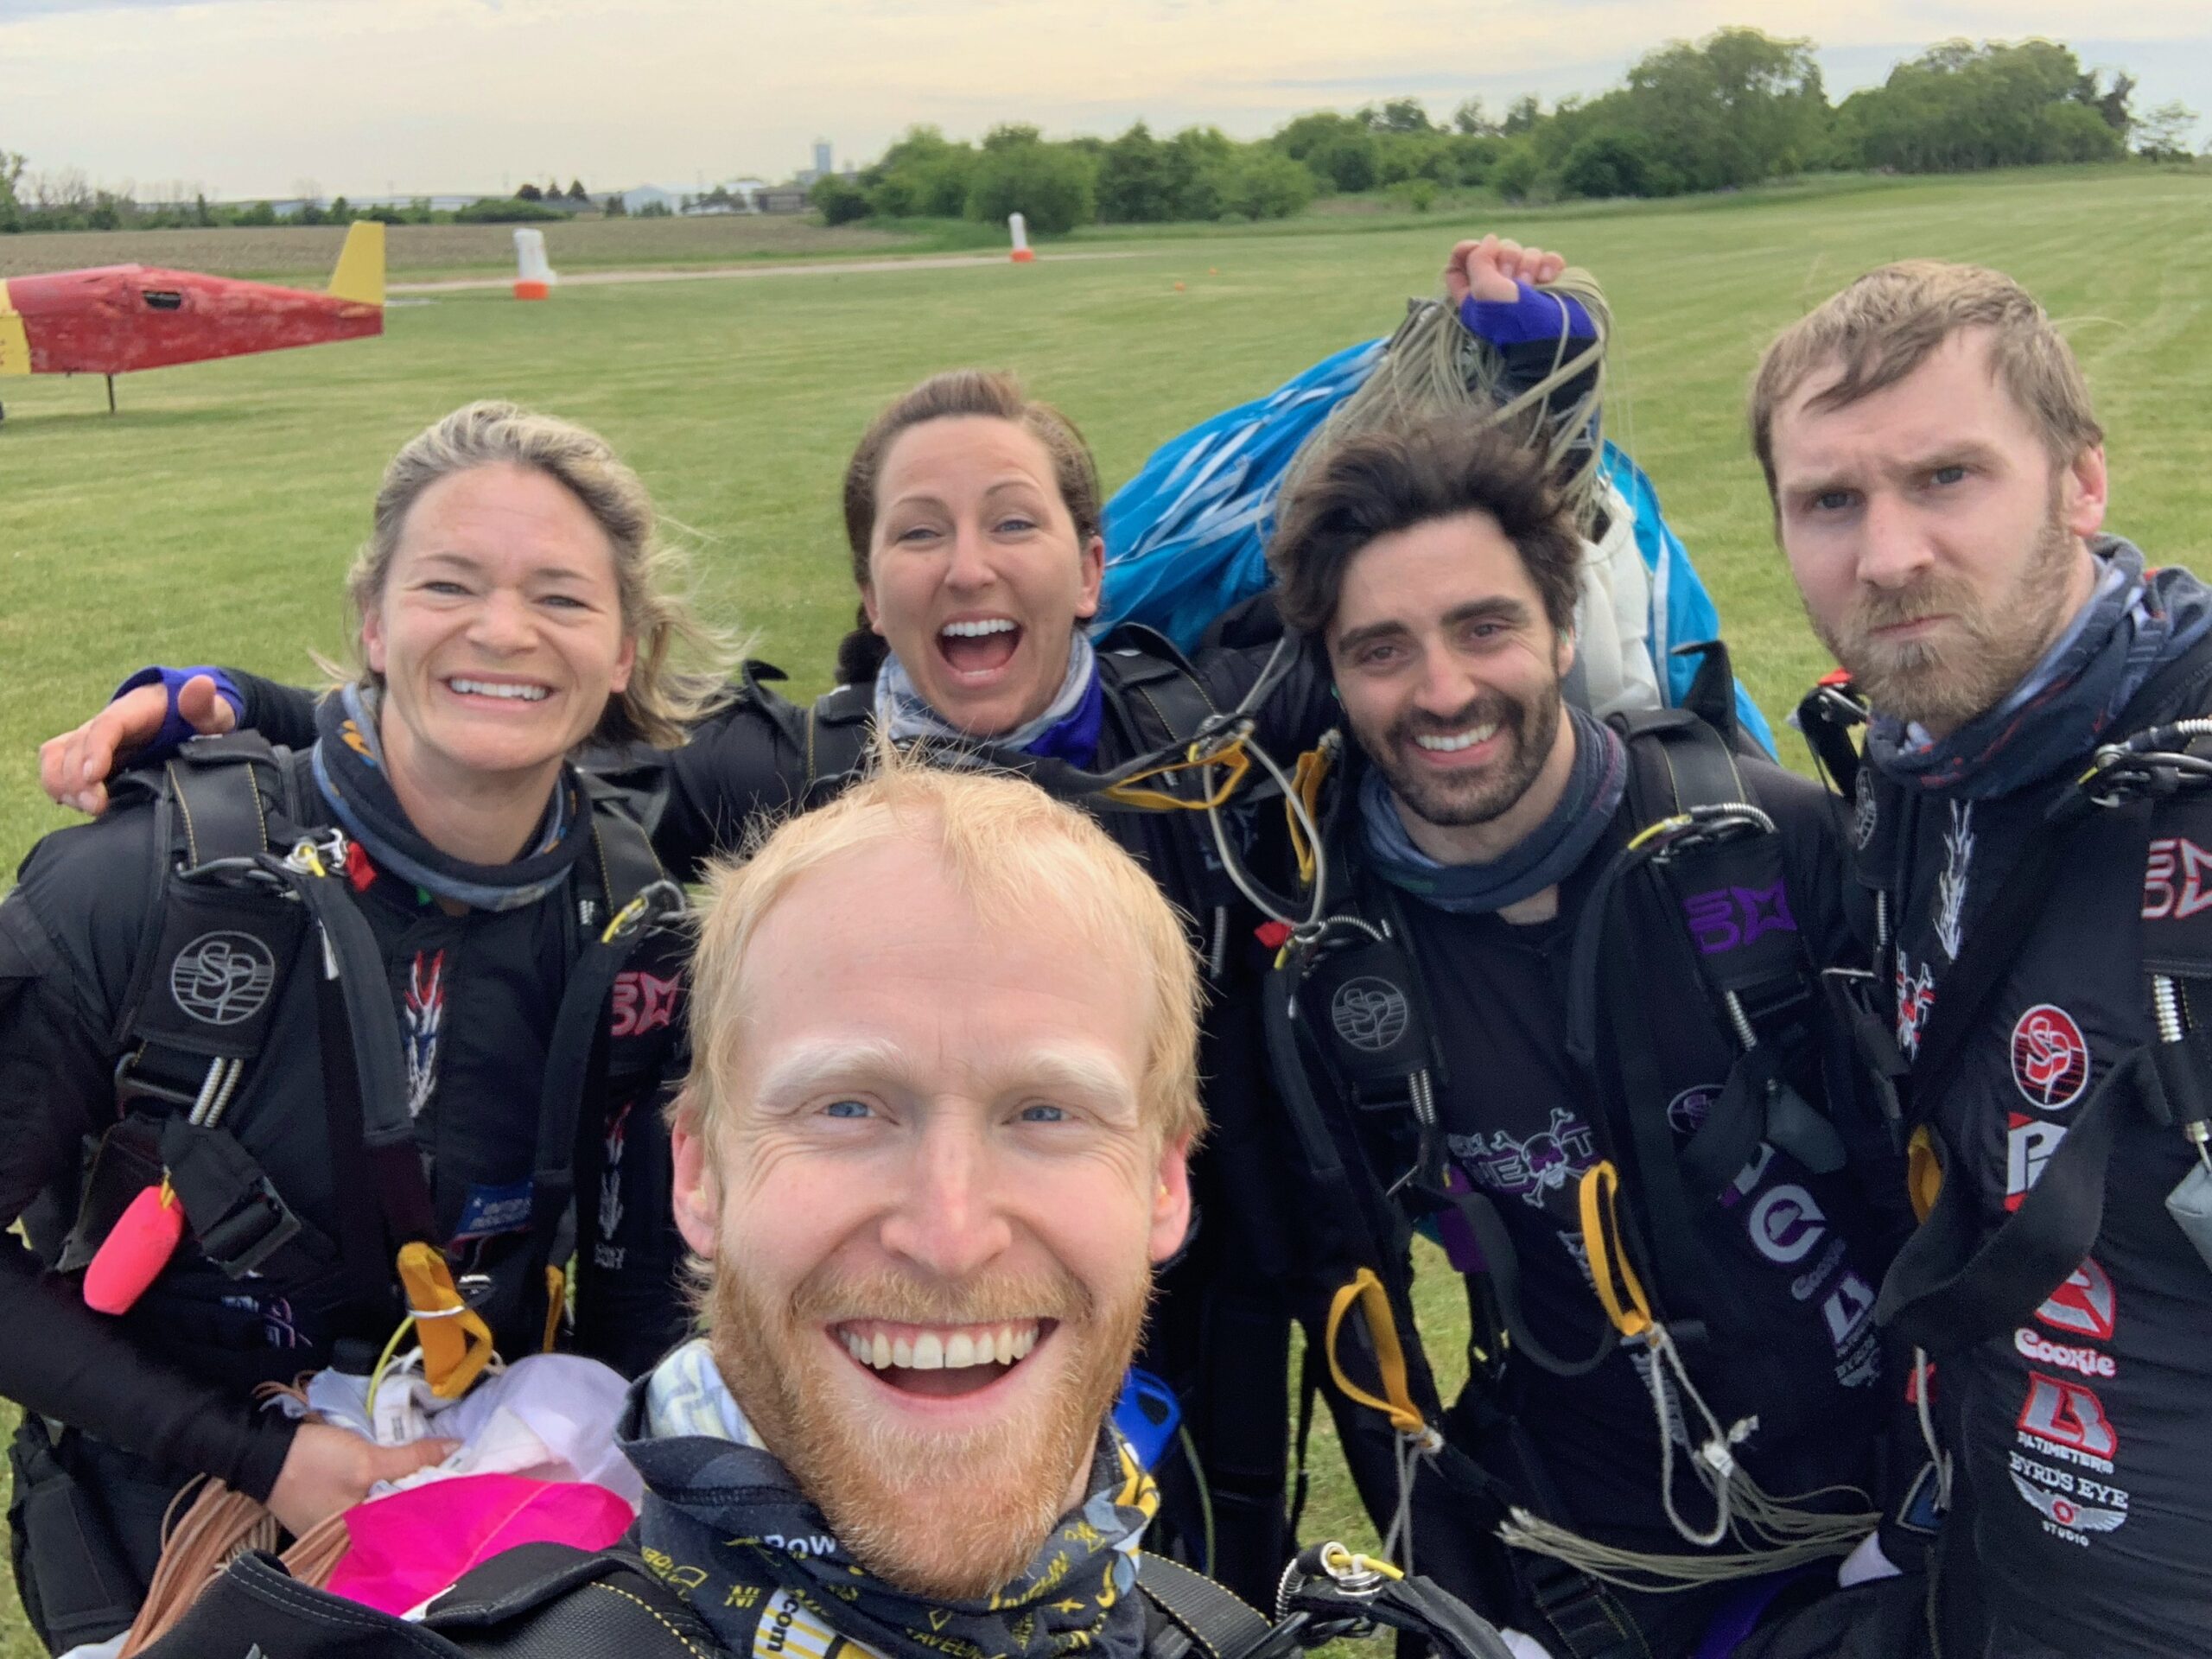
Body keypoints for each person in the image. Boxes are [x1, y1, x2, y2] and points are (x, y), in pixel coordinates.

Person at [138, 760, 1521, 1659]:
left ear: (1164, 1183)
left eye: (1046, 1114)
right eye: (849, 1109)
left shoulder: (1197, 1626)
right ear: (699, 1176)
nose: (949, 1228)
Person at [0, 402, 708, 1652]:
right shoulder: (136, 893)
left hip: (488, 1510)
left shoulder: (634, 913)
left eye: (560, 596)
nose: (502, 630)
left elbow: (637, 1275)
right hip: (170, 1509)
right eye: (450, 585)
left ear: (624, 652)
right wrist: (255, 1456)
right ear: (374, 622)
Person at [1253, 412, 1920, 1658]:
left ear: (1564, 628)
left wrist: (1931, 1513)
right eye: (1382, 649)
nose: (1443, 689)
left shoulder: (1770, 846)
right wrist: (1451, 1579)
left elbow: (1962, 1199)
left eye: (1484, 627)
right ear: (1331, 678)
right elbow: (1347, 1296)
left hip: (1880, 1501)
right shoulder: (1333, 962)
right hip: (1581, 1555)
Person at [1758, 261, 2212, 1659]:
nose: (1886, 554)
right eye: (1831, 501)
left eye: (1947, 477)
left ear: (2080, 483)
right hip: (2000, 1575)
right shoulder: (1916, 767)